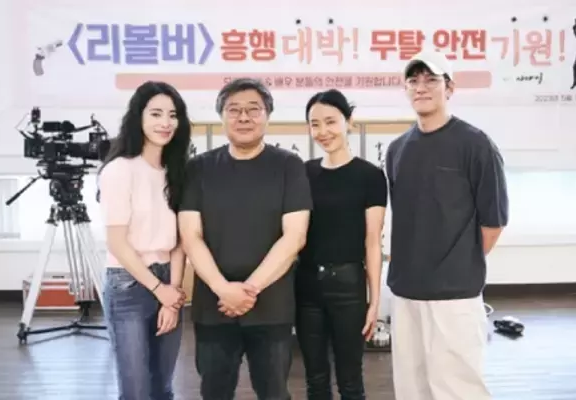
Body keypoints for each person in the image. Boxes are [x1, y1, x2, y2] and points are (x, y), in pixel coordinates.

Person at [178, 77, 313, 400]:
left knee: (274, 392)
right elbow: (191, 236)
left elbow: (294, 237)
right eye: (234, 110)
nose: (243, 117)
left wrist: (248, 290)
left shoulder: (289, 166)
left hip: (271, 305)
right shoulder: (198, 168)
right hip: (214, 304)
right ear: (221, 116)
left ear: (267, 115)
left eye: (253, 109)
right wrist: (224, 289)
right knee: (214, 391)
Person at [385, 49, 509, 400]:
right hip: (406, 293)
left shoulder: (475, 144)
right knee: (412, 389)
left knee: (457, 389)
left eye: (431, 80)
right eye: (413, 81)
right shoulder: (397, 150)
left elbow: (493, 222)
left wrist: (455, 265)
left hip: (454, 296)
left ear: (450, 88)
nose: (421, 87)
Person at [98, 81, 191, 400]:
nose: (165, 122)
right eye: (156, 114)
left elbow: (180, 241)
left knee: (162, 387)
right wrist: (158, 290)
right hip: (129, 283)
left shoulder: (177, 171)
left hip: (168, 279)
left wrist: (172, 295)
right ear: (138, 117)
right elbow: (117, 243)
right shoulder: (119, 170)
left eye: (173, 115)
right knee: (136, 391)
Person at [295, 89, 388, 400]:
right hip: (306, 286)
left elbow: (372, 242)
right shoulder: (304, 173)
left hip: (348, 287)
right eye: (315, 124)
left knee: (350, 381)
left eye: (331, 121)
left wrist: (374, 302)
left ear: (348, 121)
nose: (323, 131)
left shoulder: (370, 176)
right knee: (315, 380)